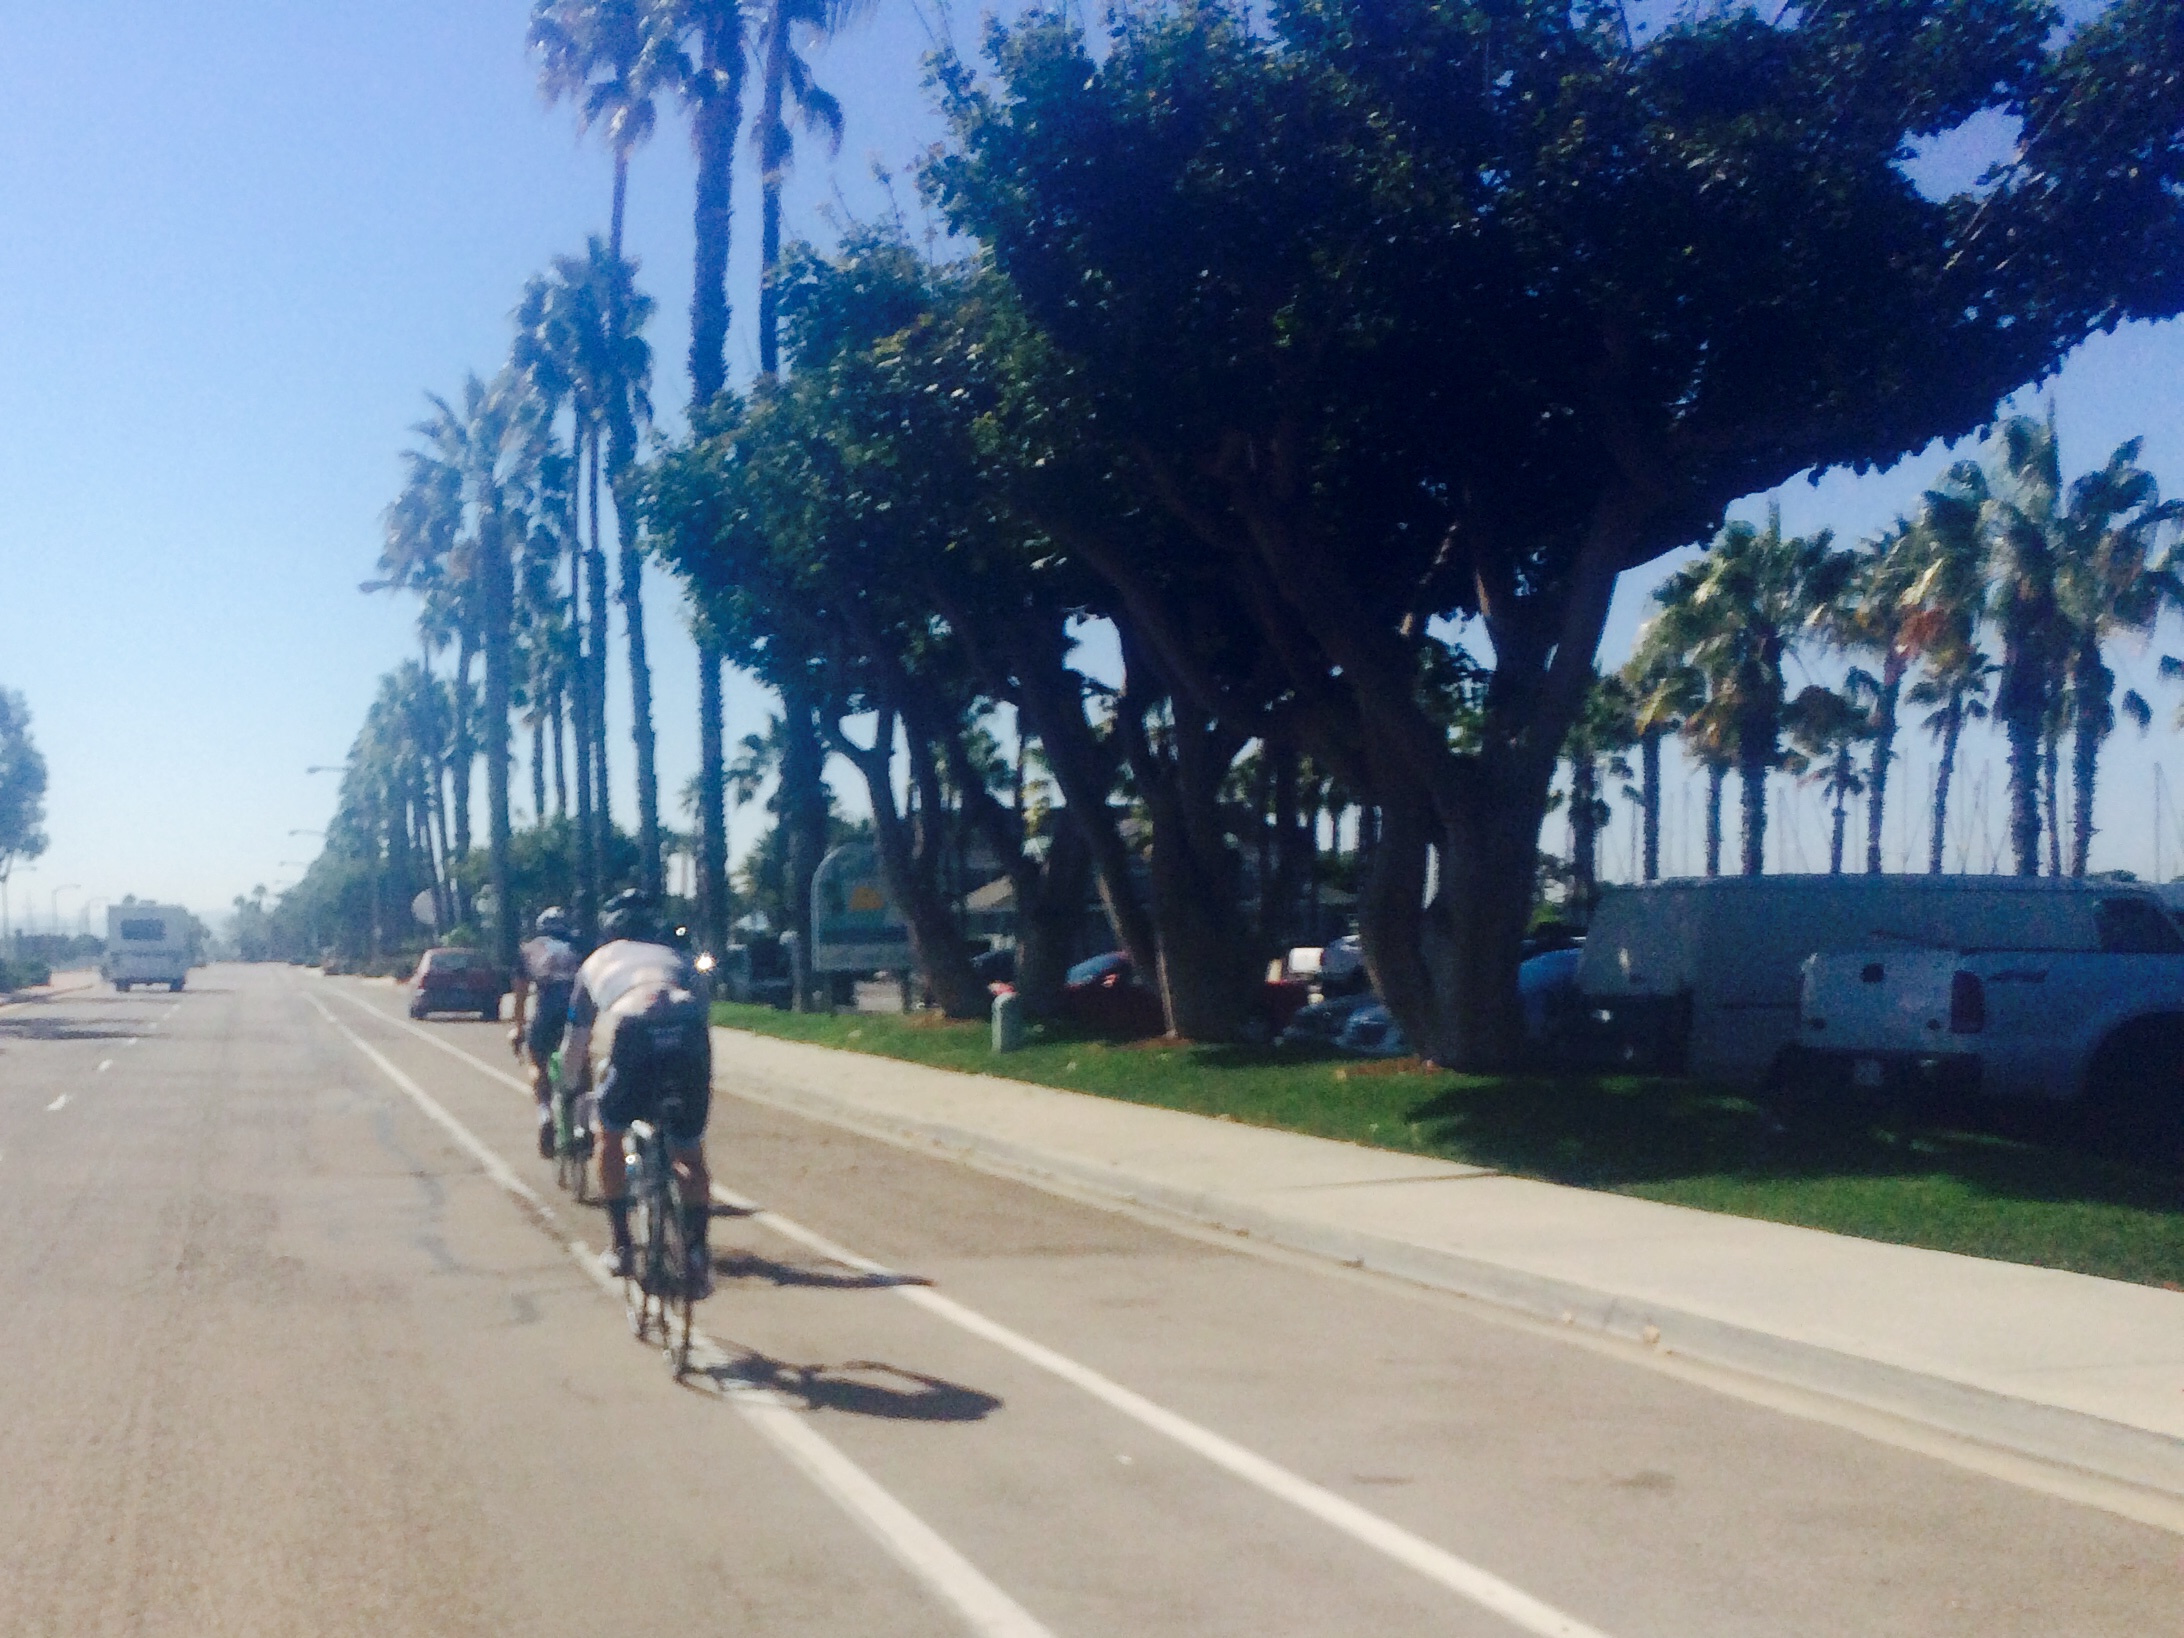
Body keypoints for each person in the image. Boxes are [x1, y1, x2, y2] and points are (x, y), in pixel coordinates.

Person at [564, 890, 713, 1294]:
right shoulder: (676, 958)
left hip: (634, 1029)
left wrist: (570, 1082)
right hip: (688, 1030)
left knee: (609, 1136)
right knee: (688, 1152)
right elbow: (703, 1012)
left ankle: (622, 1246)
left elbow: (577, 1036)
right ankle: (697, 1253)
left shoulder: (594, 963)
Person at [509, 907, 583, 1158]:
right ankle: (584, 1122)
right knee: (582, 1064)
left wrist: (518, 1028)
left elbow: (520, 995)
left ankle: (544, 1114)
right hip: (575, 1013)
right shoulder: (578, 948)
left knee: (537, 1062)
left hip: (546, 1013)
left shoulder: (529, 950)